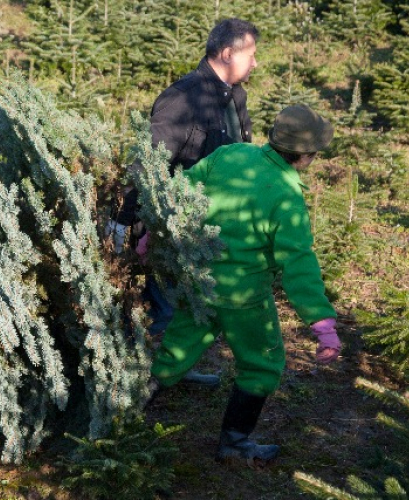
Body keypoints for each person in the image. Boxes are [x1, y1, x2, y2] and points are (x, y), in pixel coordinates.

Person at [146, 104, 342, 465]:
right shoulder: (286, 197)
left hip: (199, 281)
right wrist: (322, 322)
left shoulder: (230, 153)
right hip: (244, 297)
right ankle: (235, 444)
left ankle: (129, 407)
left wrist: (152, 232)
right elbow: (298, 262)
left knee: (179, 342)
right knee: (261, 363)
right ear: (307, 156)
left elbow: (181, 189)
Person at [108, 18, 260, 385]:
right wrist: (123, 222)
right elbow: (148, 163)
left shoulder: (235, 96)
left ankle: (174, 367)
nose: (255, 64)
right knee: (166, 305)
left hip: (215, 221)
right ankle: (140, 387)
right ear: (227, 53)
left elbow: (241, 155)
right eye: (251, 55)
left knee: (191, 304)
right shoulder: (183, 97)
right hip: (171, 226)